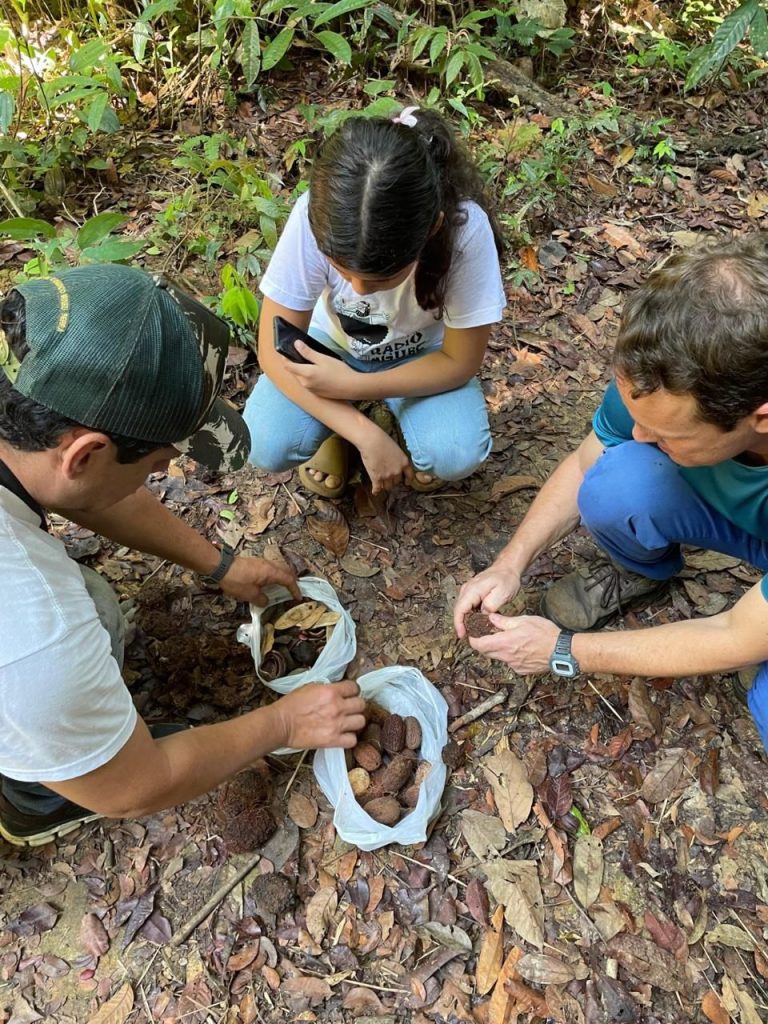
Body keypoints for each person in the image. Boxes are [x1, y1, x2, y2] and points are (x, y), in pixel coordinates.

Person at [0, 265, 366, 847]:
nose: (164, 473)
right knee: (89, 617)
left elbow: (79, 488)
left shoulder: (20, 400)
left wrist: (221, 565)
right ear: (85, 453)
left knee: (92, 609)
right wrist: (285, 722)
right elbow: (134, 786)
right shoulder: (37, 634)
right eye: (155, 464)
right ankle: (35, 799)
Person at [454, 233, 768, 751]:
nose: (642, 439)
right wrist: (510, 562)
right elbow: (587, 462)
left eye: (668, 434)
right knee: (616, 481)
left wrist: (564, 651)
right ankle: (645, 570)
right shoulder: (668, 368)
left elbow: (736, 633)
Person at [244, 106, 506, 498]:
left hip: (423, 356)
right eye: (342, 270)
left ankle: (386, 414)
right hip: (329, 347)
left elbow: (460, 361)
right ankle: (337, 431)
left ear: (432, 227)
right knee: (265, 443)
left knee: (453, 454)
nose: (360, 289)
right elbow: (271, 348)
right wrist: (362, 433)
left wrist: (356, 384)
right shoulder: (315, 215)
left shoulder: (464, 232)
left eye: (383, 276)